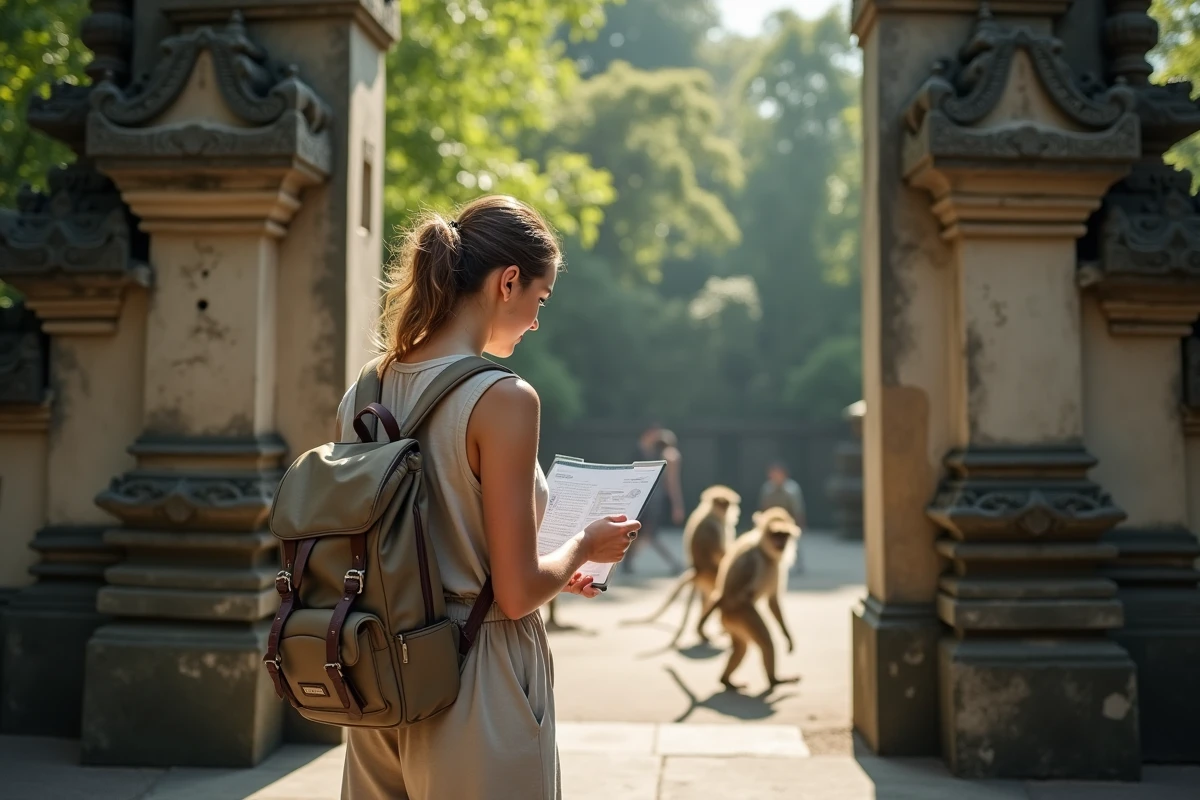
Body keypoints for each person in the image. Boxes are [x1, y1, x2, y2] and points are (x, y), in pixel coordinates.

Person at [338, 195, 641, 799]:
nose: (535, 321)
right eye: (540, 299)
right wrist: (584, 544)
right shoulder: (503, 398)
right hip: (476, 671)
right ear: (509, 282)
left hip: (376, 669)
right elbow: (516, 590)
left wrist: (559, 569)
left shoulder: (366, 387)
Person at [622, 424, 685, 574]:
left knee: (646, 533)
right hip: (652, 502)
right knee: (646, 534)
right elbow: (672, 483)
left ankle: (628, 563)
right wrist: (677, 505)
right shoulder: (666, 455)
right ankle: (672, 563)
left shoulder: (660, 456)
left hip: (650, 500)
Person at [759, 460, 806, 573]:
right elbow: (764, 507)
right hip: (772, 522)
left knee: (793, 543)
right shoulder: (767, 489)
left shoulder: (792, 490)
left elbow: (797, 509)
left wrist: (799, 523)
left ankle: (797, 565)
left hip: (788, 521)